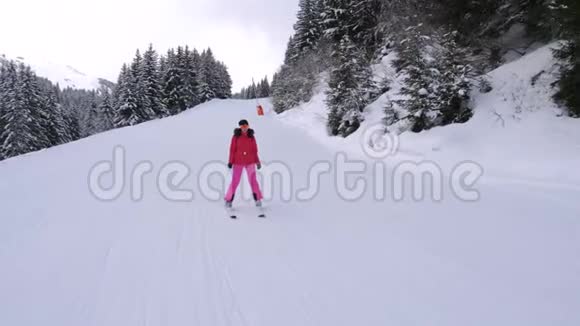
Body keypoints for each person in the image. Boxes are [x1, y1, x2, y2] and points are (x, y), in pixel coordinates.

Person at [225, 119, 263, 208]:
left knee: (253, 180)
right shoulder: (236, 136)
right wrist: (230, 161)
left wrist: (257, 161)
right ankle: (229, 200)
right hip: (238, 162)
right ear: (240, 127)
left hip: (250, 162)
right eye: (242, 127)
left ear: (248, 126)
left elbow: (255, 150)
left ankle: (258, 199)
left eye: (245, 126)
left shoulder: (251, 136)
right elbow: (232, 150)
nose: (244, 128)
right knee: (235, 181)